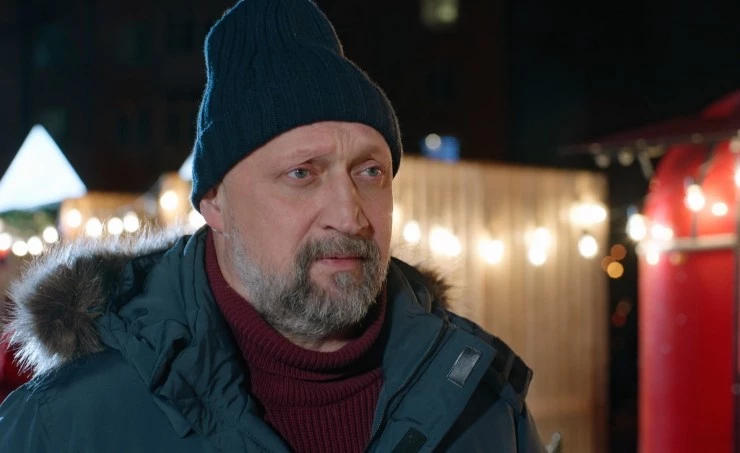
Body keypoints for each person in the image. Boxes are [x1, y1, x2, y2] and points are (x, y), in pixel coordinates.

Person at [0, 0, 545, 451]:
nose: (349, 214)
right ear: (214, 203)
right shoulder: (66, 426)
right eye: (302, 173)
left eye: (370, 172)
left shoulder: (483, 405)